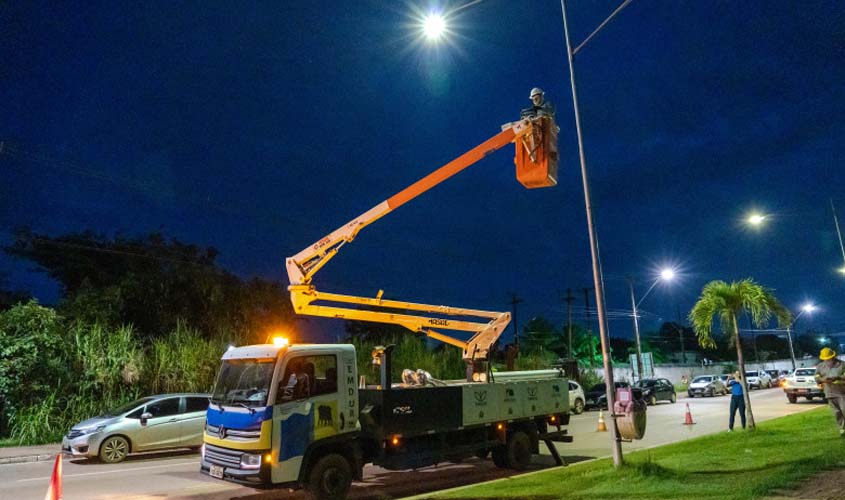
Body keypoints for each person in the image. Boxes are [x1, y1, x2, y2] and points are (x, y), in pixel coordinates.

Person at [814, 347, 845, 436]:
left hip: (842, 392)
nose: (828, 360)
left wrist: (838, 378)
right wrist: (823, 379)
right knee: (837, 412)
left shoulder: (842, 364)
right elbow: (816, 377)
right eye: (826, 359)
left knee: (844, 410)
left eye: (829, 358)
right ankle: (843, 428)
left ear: (833, 356)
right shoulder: (820, 366)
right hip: (829, 392)